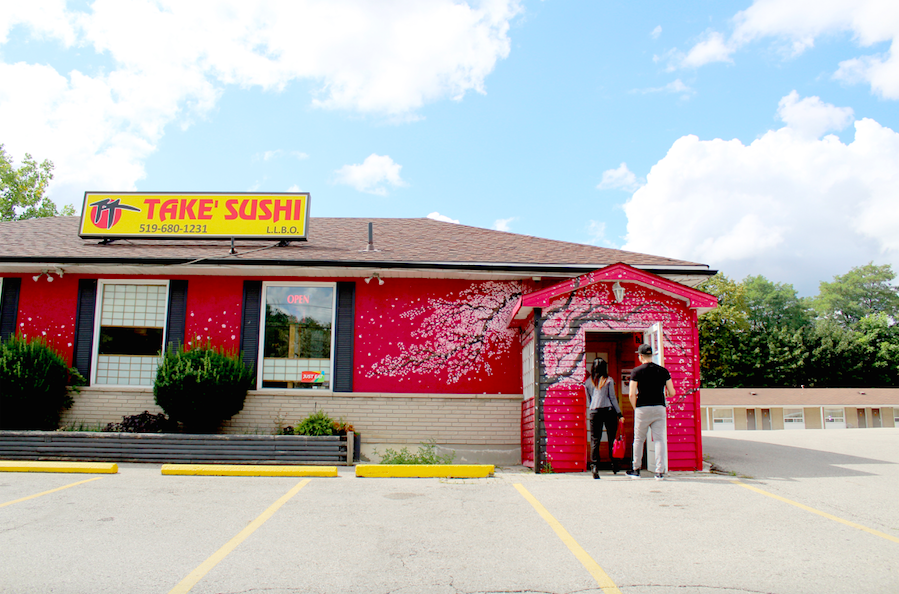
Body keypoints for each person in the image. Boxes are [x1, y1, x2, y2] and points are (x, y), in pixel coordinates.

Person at [627, 344, 675, 480]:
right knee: (659, 439)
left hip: (642, 407)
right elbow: (672, 392)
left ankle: (636, 469)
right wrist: (667, 393)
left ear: (640, 356)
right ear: (652, 355)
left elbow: (631, 394)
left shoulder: (636, 371)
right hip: (659, 407)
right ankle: (659, 472)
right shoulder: (663, 371)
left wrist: (635, 408)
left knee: (639, 439)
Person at [583, 357, 623, 479]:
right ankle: (614, 464)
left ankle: (594, 466)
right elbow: (613, 398)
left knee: (595, 440)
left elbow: (589, 399)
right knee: (612, 438)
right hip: (608, 411)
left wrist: (594, 406)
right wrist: (619, 413)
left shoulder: (588, 382)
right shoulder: (608, 380)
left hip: (594, 411)